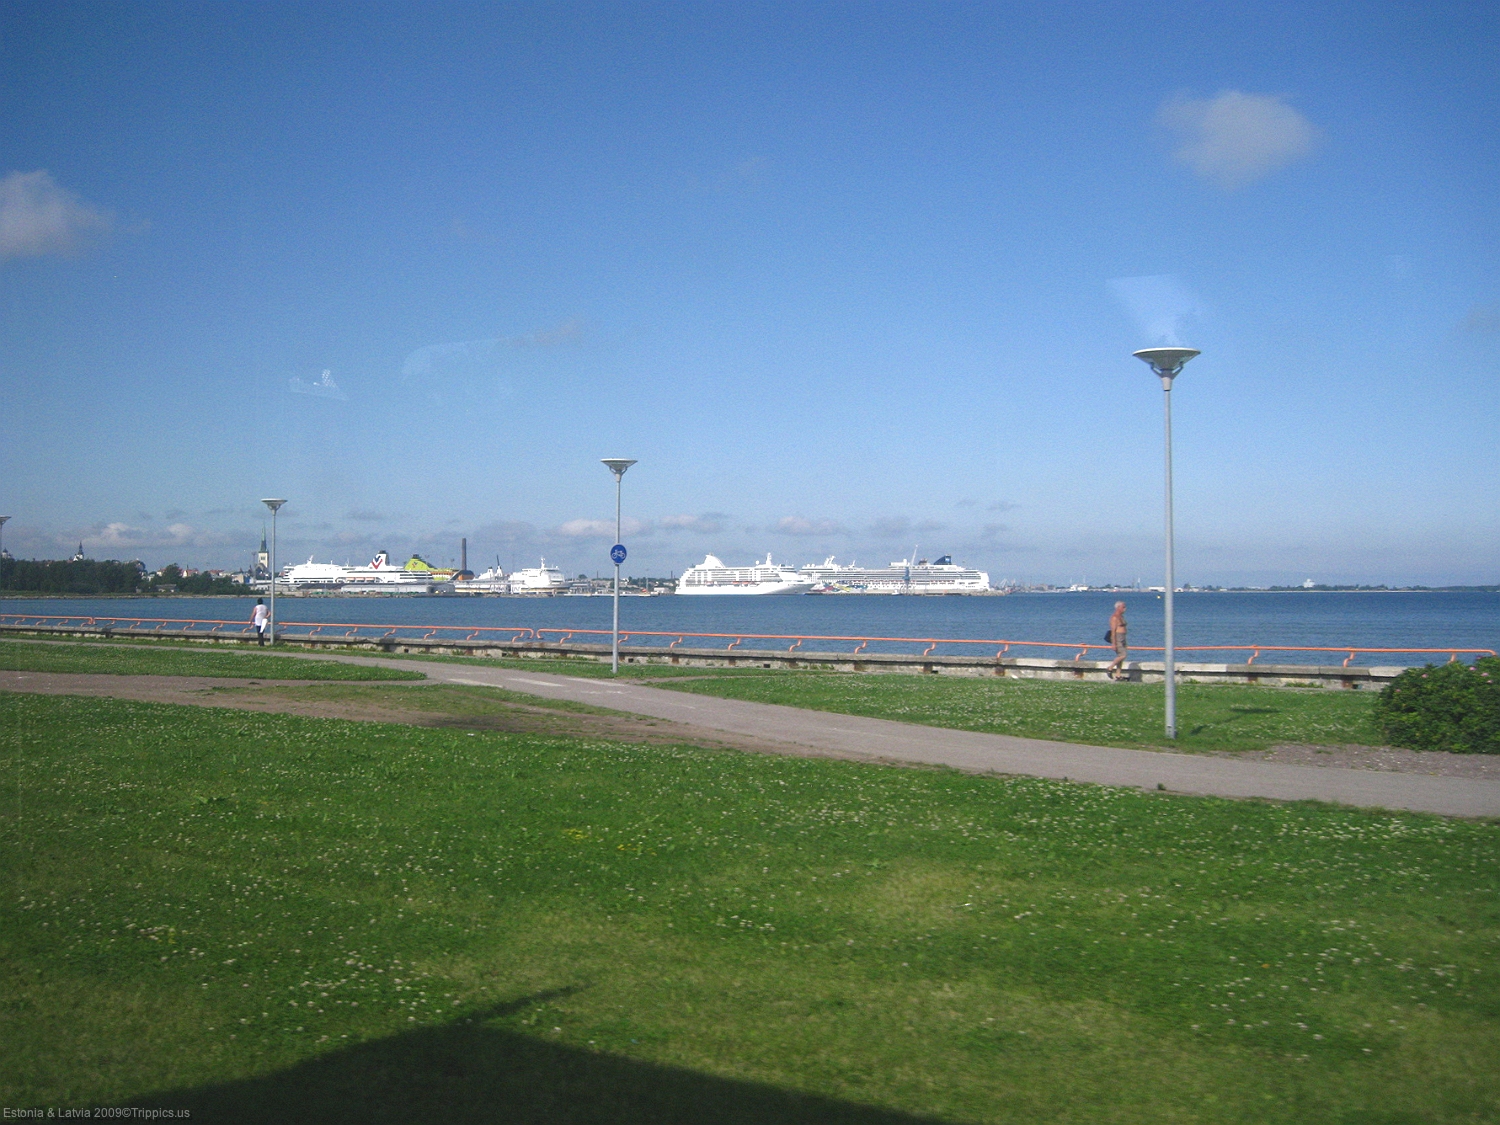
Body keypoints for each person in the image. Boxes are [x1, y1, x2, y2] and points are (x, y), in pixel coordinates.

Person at [1106, 600, 1128, 680]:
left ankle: (1118, 675)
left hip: (1123, 637)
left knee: (1120, 657)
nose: (1125, 609)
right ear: (1118, 607)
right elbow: (1113, 631)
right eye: (1123, 607)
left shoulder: (1121, 617)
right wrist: (1114, 643)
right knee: (1123, 655)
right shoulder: (1114, 617)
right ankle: (1110, 668)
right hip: (1118, 638)